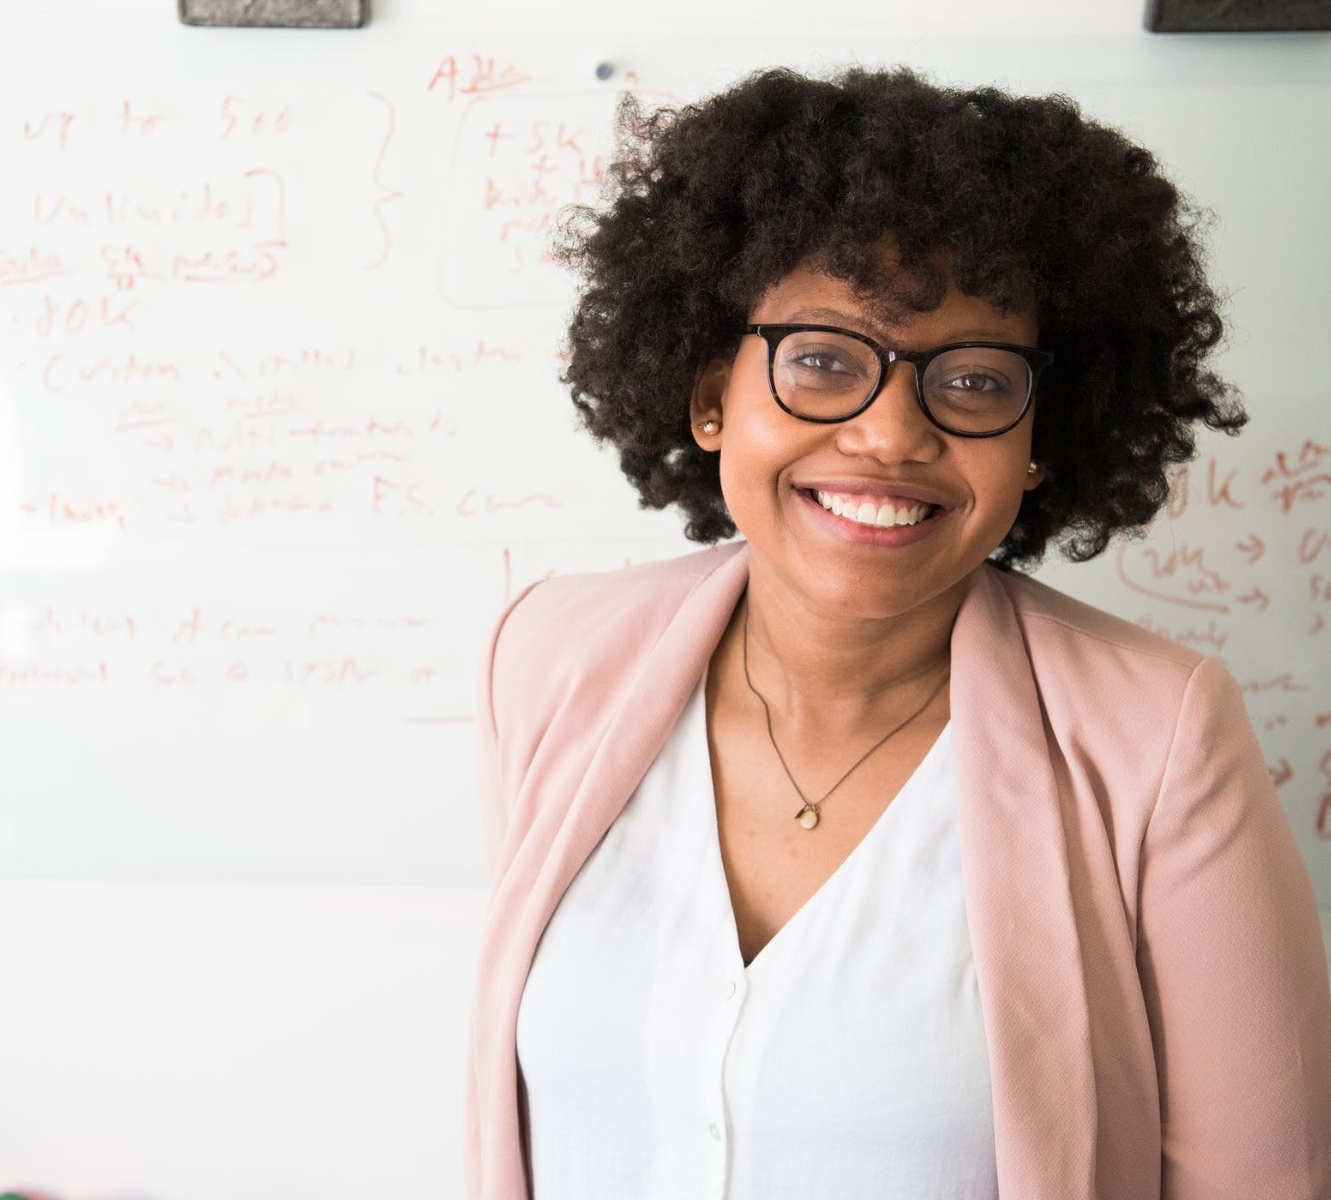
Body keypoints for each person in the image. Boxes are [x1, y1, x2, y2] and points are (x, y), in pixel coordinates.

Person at [465, 67, 1331, 1200]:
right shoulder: (547, 659)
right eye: (823, 358)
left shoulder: (1159, 739)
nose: (888, 434)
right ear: (710, 390)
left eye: (972, 381)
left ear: (1041, 436)